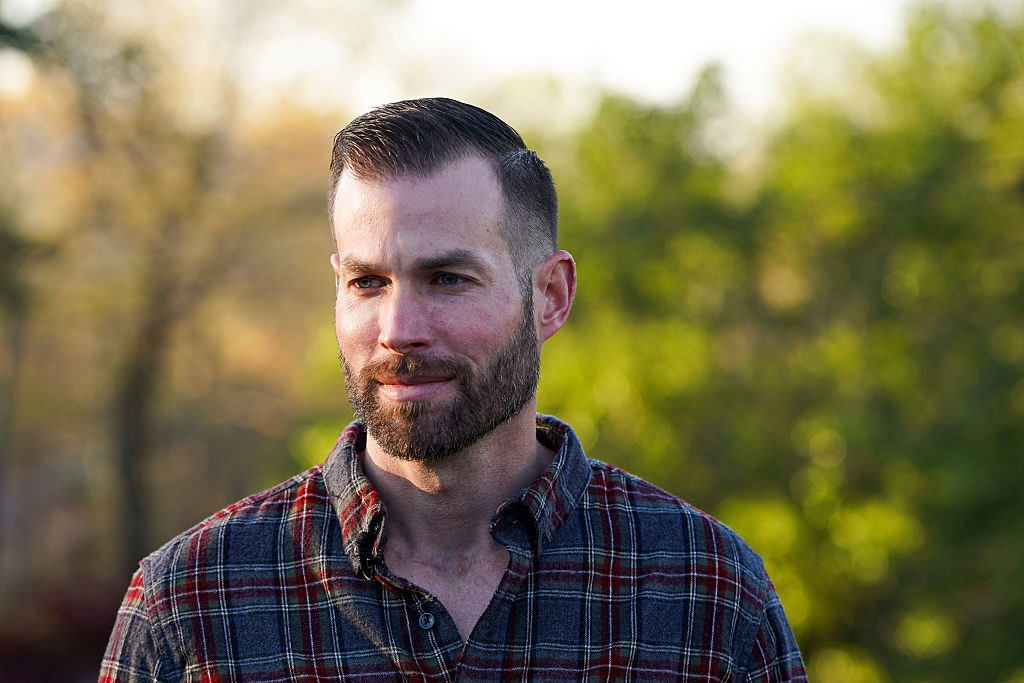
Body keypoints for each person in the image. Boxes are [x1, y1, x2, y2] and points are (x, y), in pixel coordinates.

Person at [100, 97, 806, 681]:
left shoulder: (706, 592)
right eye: (367, 282)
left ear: (551, 296)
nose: (399, 328)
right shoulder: (191, 606)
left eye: (447, 279)